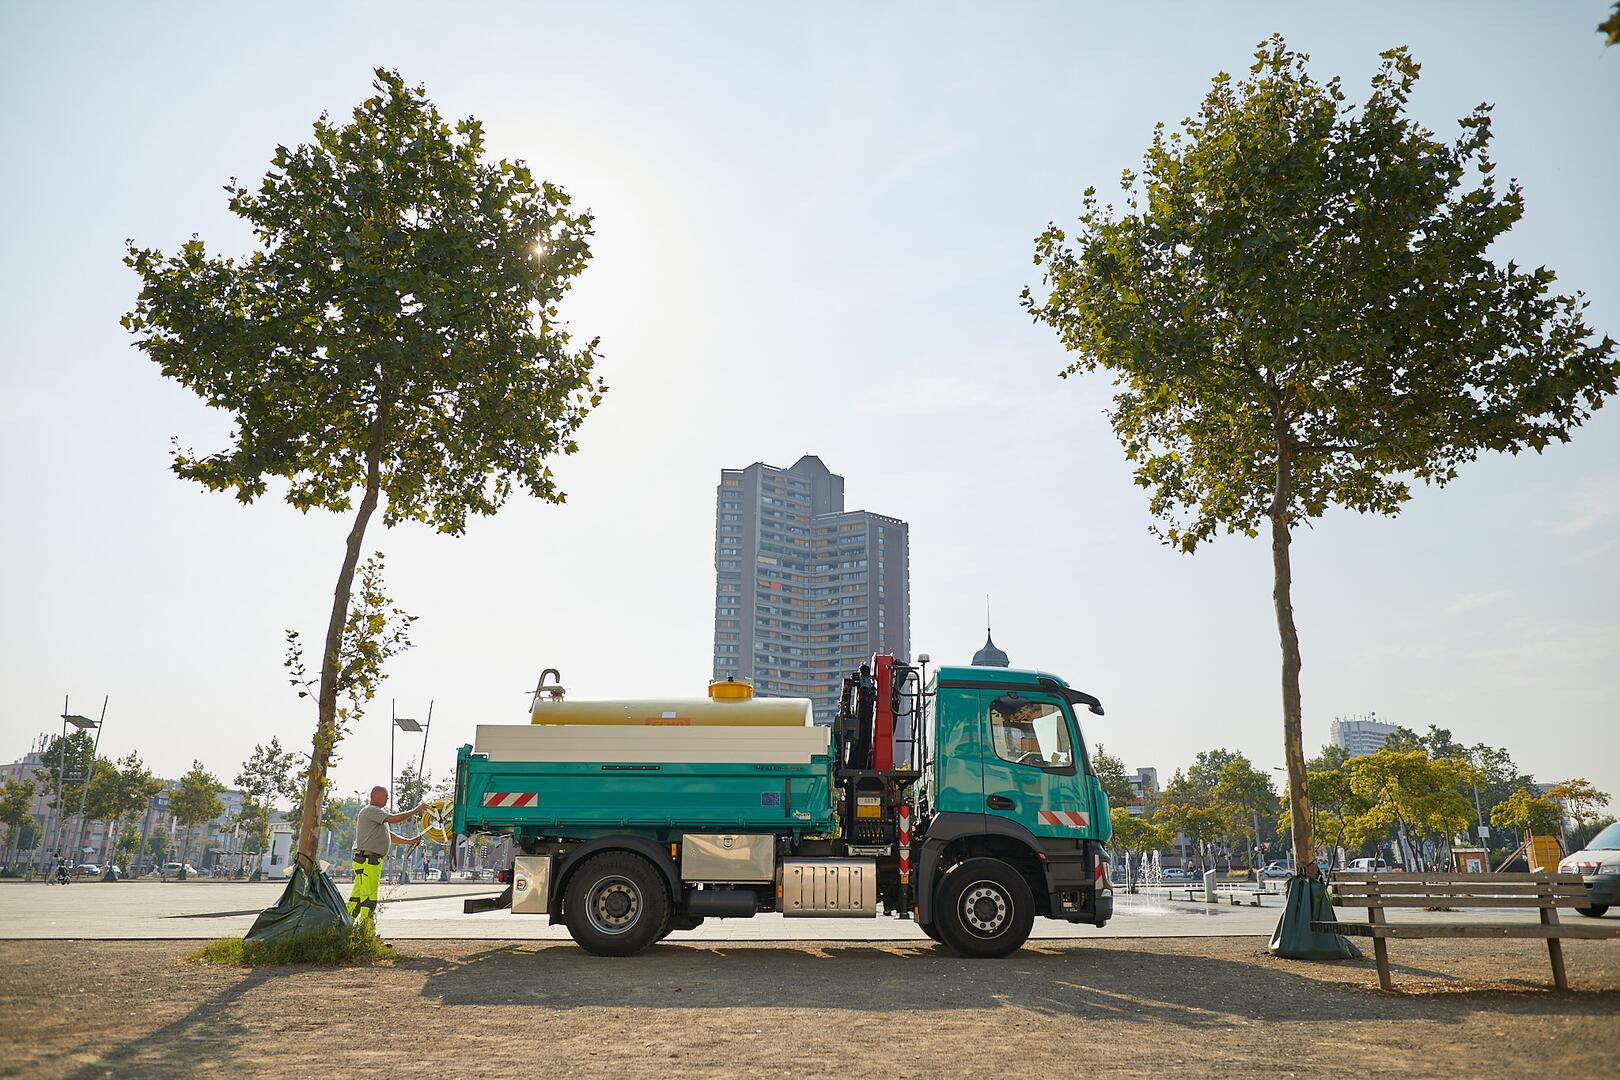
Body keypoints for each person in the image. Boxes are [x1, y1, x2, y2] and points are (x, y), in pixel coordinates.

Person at [349, 786, 424, 926]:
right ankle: (366, 930)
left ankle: (344, 926)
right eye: (385, 796)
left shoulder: (375, 815)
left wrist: (410, 841)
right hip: (369, 862)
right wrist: (416, 810)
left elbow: (389, 836)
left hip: (364, 860)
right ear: (375, 795)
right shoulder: (372, 810)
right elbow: (394, 819)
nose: (387, 798)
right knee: (369, 898)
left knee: (357, 897)